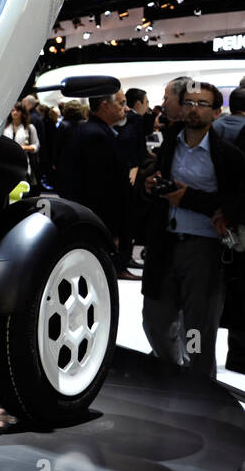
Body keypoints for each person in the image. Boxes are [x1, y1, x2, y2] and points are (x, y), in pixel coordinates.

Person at [140, 81, 245, 378]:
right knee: (155, 319)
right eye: (189, 102)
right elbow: (153, 183)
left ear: (216, 112)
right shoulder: (170, 143)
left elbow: (236, 201)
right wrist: (150, 187)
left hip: (204, 249)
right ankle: (174, 368)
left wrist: (191, 198)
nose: (194, 109)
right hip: (165, 243)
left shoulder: (228, 156)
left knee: (197, 328)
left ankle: (198, 381)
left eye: (202, 104)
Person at [60, 90, 130, 271]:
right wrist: (111, 231)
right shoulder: (95, 135)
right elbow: (101, 189)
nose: (126, 108)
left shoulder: (94, 130)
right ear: (105, 106)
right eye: (121, 103)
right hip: (98, 223)